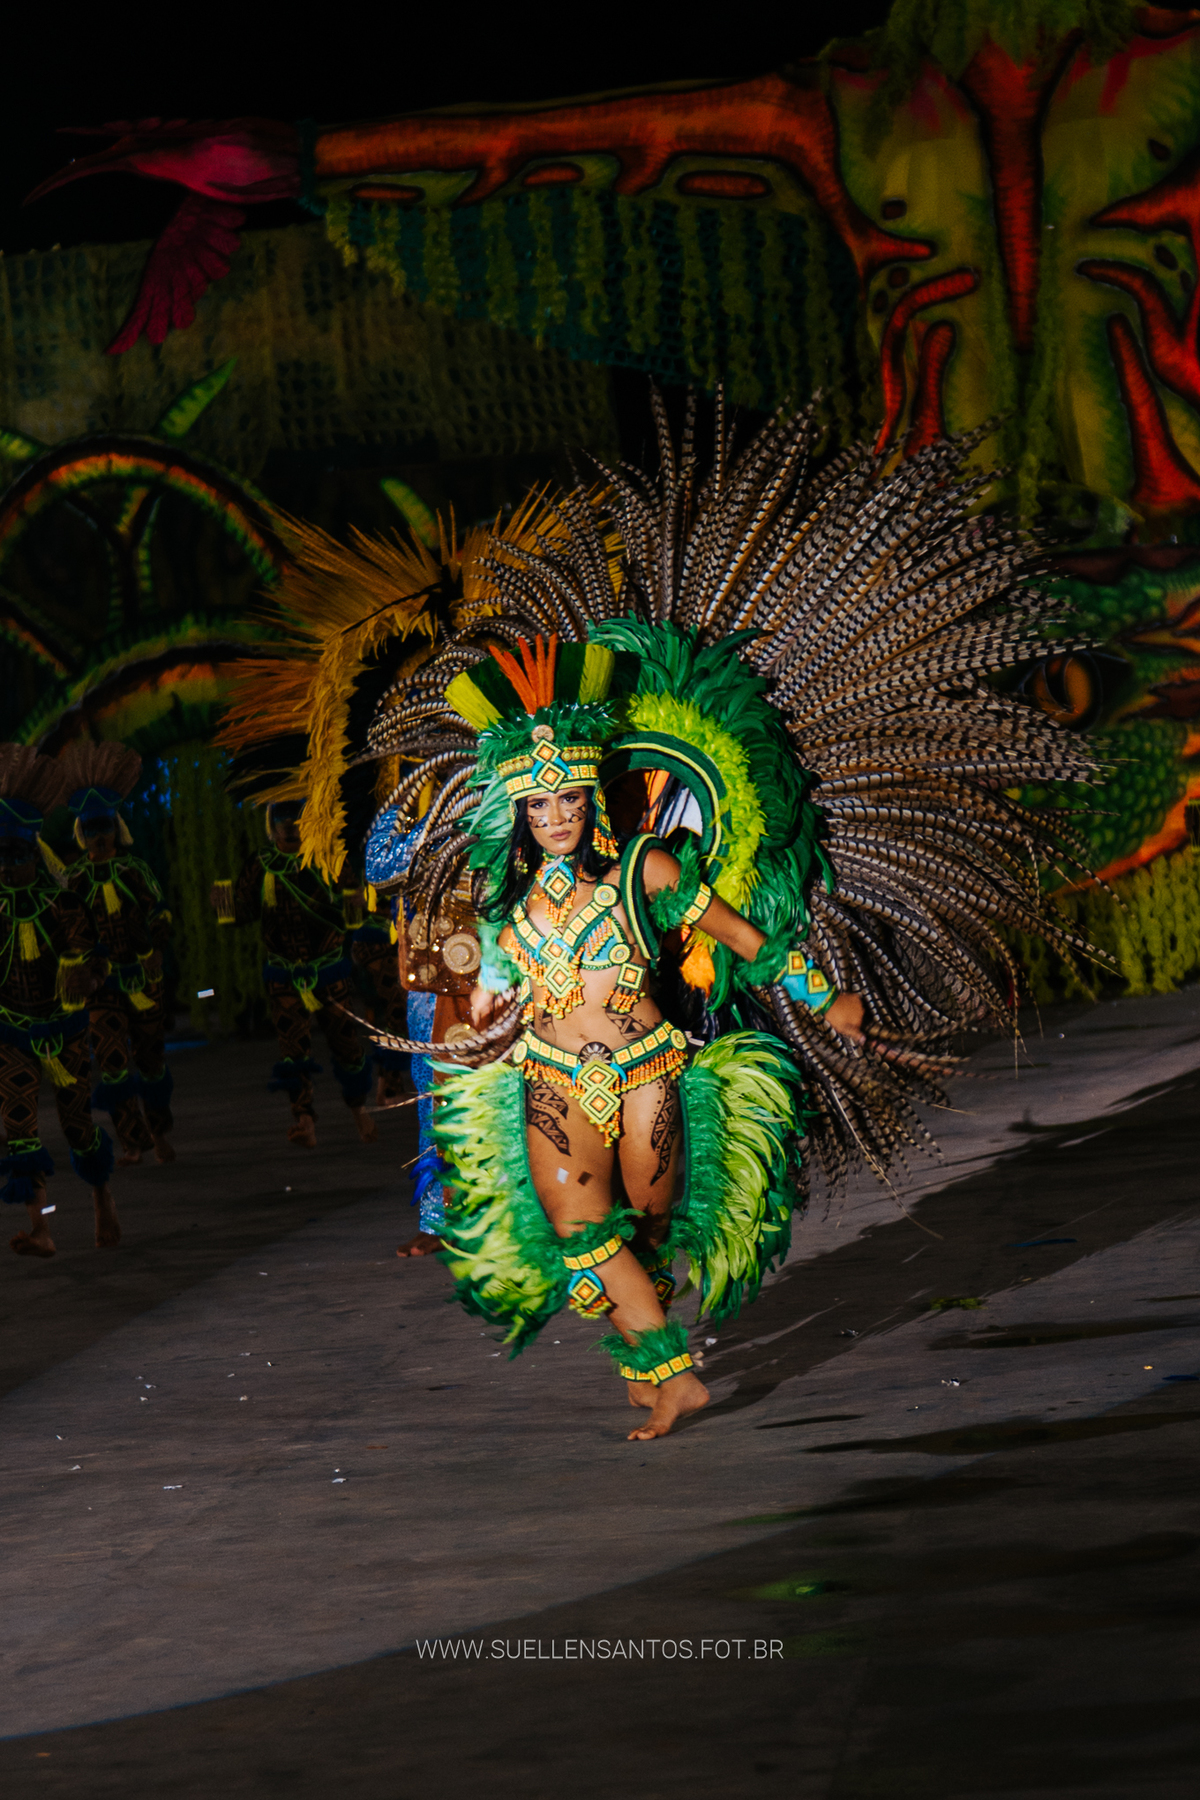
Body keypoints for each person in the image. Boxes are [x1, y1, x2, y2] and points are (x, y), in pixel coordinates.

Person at [296, 396, 1102, 1440]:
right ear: (519, 812)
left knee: (644, 1229)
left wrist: (827, 995)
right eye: (537, 805)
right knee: (580, 1235)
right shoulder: (502, 904)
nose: (553, 817)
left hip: (648, 1070)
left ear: (590, 800)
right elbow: (483, 999)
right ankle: (674, 1375)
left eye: (567, 799)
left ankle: (651, 1358)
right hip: (546, 1079)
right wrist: (467, 1039)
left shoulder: (649, 870)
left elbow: (748, 941)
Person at [0, 746, 118, 1255]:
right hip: (11, 1031)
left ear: (34, 853)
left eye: (15, 855)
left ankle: (101, 1196)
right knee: (19, 1129)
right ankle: (41, 1228)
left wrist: (86, 977)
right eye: (0, 856)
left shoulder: (63, 904)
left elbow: (98, 963)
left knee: (77, 1127)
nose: (7, 866)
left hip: (63, 1030)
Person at [214, 800, 376, 1148]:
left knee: (347, 1043)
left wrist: (357, 903)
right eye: (282, 818)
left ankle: (359, 1109)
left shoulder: (327, 858)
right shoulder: (261, 864)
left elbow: (354, 910)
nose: (289, 825)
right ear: (271, 824)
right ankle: (303, 1118)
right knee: (292, 1051)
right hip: (284, 975)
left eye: (296, 817)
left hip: (329, 970)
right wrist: (225, 906)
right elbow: (242, 911)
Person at [58, 742, 175, 1165]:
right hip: (100, 984)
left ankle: (158, 1131)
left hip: (141, 978)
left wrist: (155, 946)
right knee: (111, 1060)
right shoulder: (73, 880)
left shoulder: (134, 870)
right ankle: (132, 1140)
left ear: (116, 826)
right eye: (91, 828)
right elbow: (63, 932)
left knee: (151, 1058)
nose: (99, 835)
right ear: (81, 832)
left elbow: (160, 911)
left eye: (104, 826)